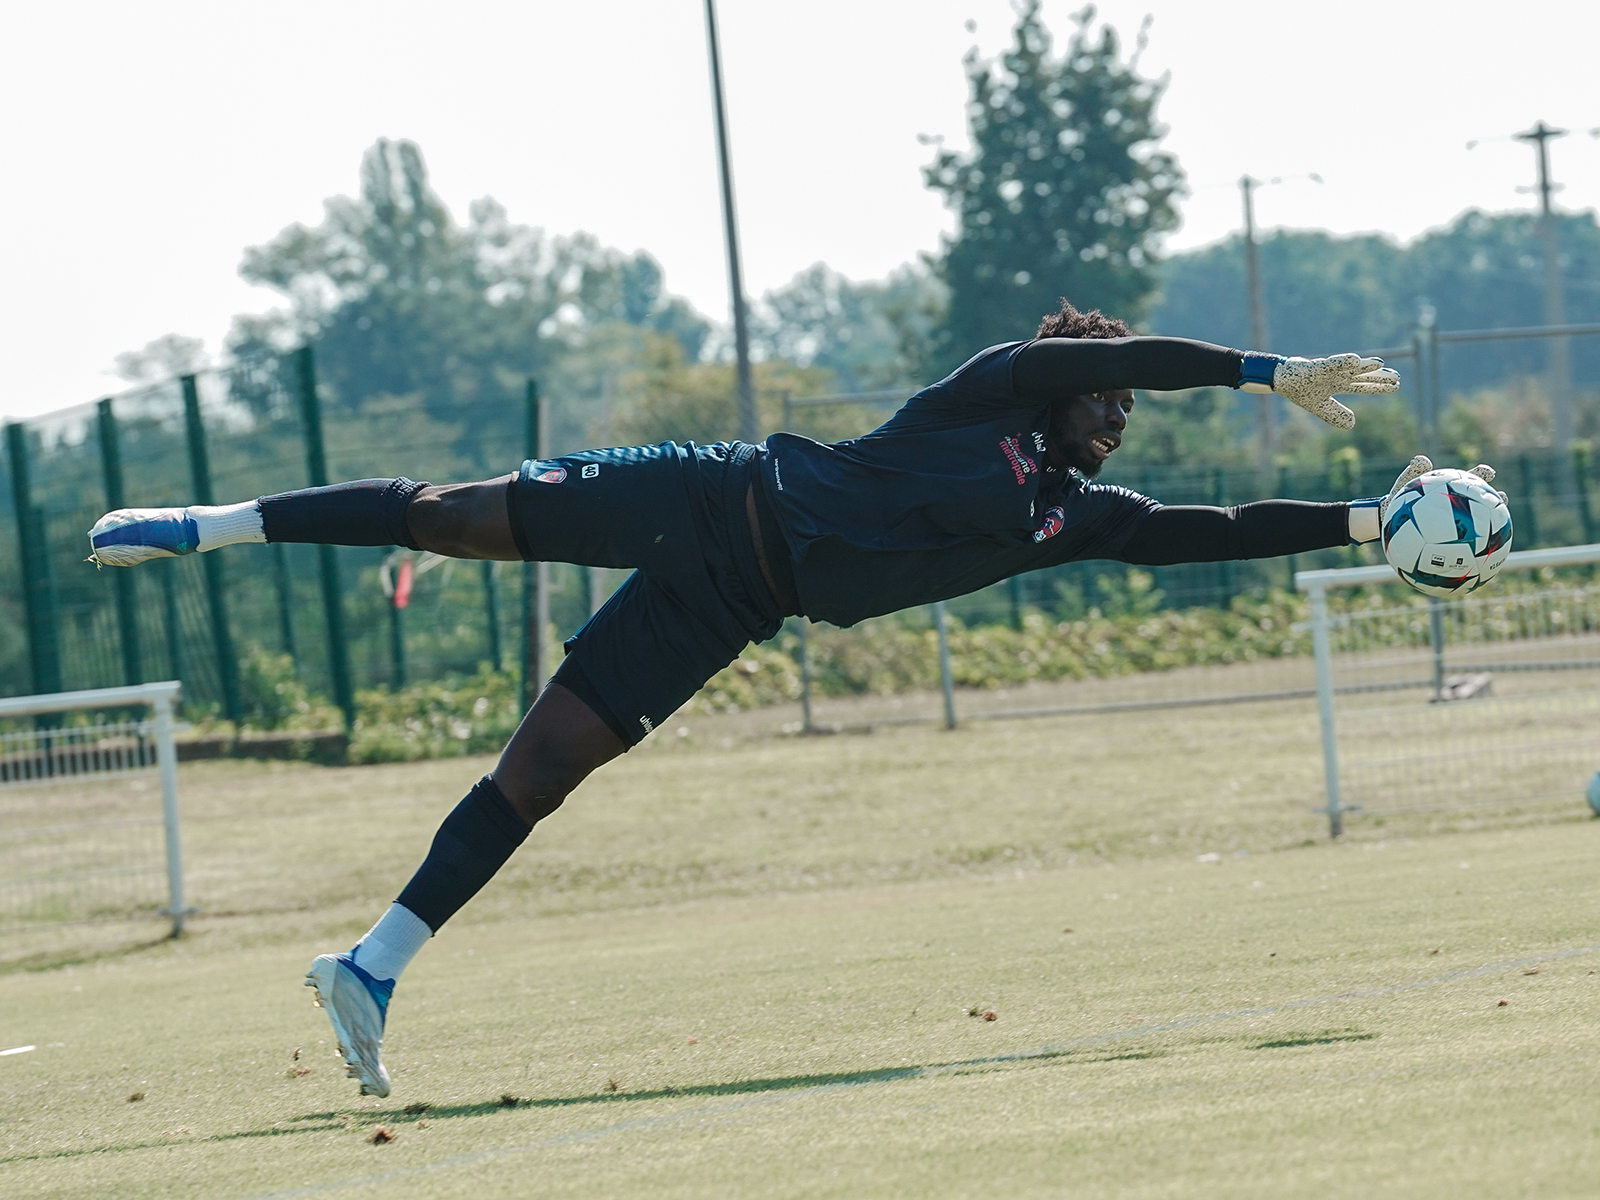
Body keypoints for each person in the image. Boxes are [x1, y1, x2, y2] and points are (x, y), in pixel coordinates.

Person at [87, 300, 1461, 1098]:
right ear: (1067, 383)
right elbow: (1119, 363)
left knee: (541, 771)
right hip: (708, 494)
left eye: (1130, 408)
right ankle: (211, 523)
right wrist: (1264, 372)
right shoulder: (996, 391)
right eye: (1110, 397)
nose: (1121, 417)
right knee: (449, 518)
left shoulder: (1077, 512)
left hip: (733, 604)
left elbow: (1212, 528)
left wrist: (1367, 523)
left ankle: (370, 968)